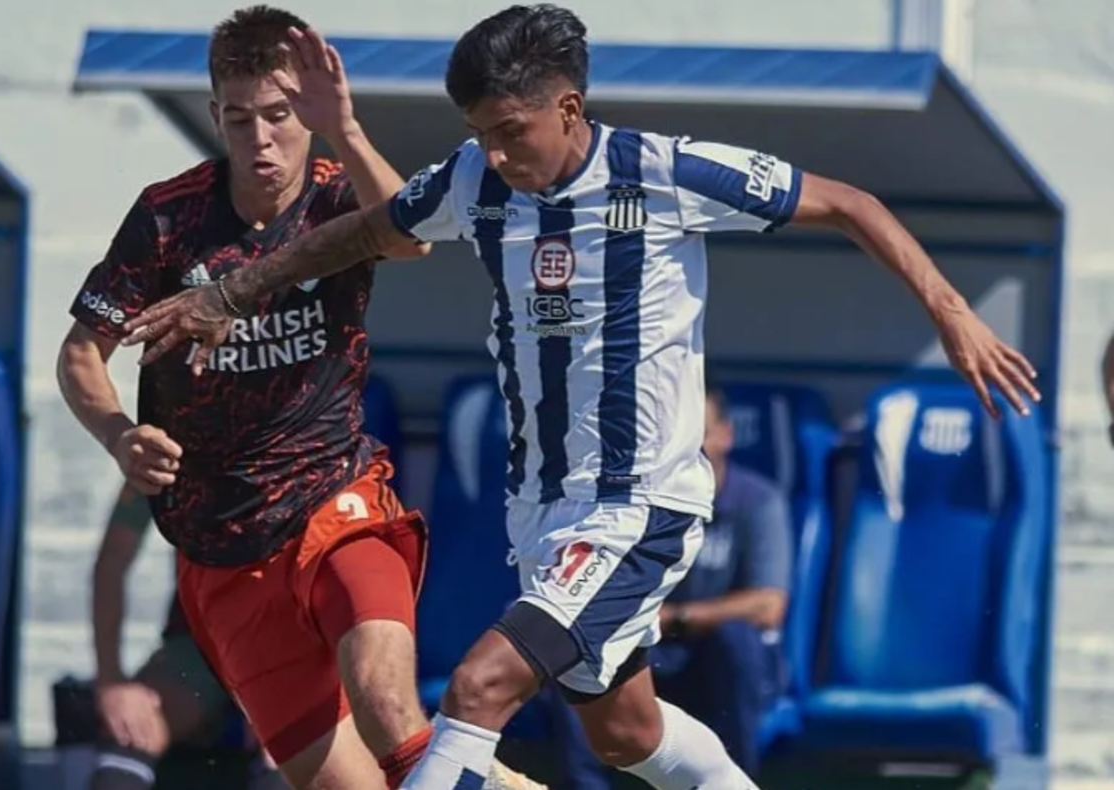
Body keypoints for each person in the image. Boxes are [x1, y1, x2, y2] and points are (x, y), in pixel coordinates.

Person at [119, 5, 1041, 790]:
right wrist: (232, 293)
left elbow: (849, 203)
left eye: (510, 130)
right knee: (624, 733)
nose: (495, 151)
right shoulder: (476, 180)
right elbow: (365, 232)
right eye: (480, 131)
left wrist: (952, 313)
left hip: (638, 506)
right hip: (543, 515)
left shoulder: (667, 173)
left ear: (568, 108)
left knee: (477, 689)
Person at [56, 8, 542, 790]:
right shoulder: (168, 217)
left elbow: (411, 237)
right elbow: (82, 351)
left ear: (306, 113)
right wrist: (118, 433)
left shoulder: (336, 194)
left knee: (391, 712)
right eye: (240, 119)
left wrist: (344, 127)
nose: (261, 139)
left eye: (280, 116)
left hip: (336, 503)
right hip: (222, 547)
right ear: (216, 116)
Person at [89, 482, 278, 789]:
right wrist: (112, 682)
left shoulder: (313, 458)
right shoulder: (169, 458)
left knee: (293, 744)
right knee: (132, 727)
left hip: (287, 643)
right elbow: (112, 562)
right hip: (197, 648)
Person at [653, 387, 793, 775]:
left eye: (697, 433)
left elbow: (768, 605)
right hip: (655, 656)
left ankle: (736, 780)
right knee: (586, 640)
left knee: (734, 638)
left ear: (725, 436)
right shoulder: (643, 503)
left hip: (723, 662)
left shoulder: (759, 500)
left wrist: (676, 618)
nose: (686, 447)